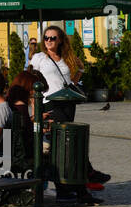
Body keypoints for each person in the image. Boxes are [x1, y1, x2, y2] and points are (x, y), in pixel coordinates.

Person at [30, 25, 109, 195]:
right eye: (46, 38)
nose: (49, 41)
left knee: (66, 140)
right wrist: (35, 109)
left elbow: (80, 68)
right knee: (65, 139)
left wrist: (73, 83)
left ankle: (77, 180)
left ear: (60, 40)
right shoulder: (39, 58)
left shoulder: (67, 57)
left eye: (53, 38)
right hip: (49, 102)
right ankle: (86, 173)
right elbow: (31, 82)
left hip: (67, 102)